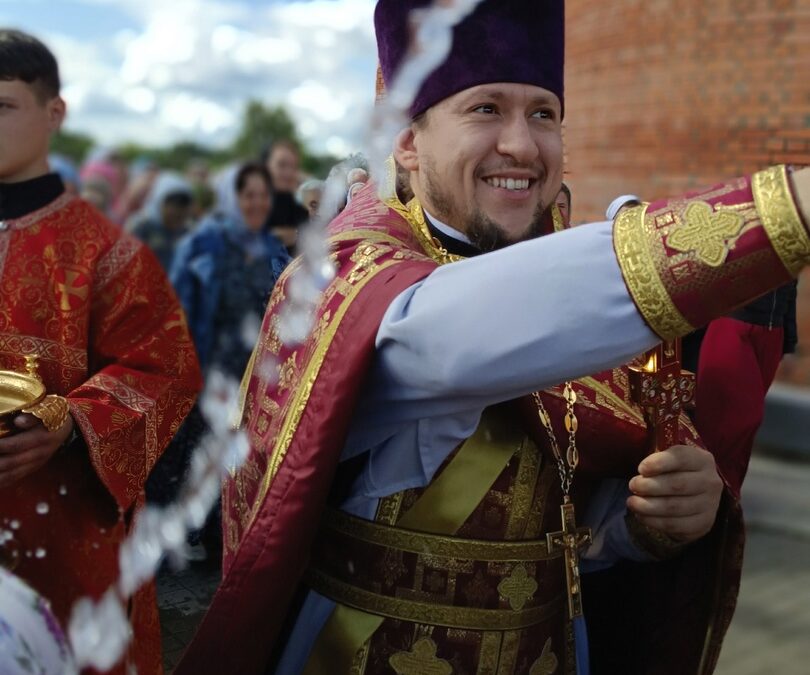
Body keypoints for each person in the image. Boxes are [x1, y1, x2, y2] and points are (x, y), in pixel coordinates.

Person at [178, 2, 810, 674]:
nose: (522, 145)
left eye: (543, 113)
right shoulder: (347, 274)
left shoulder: (567, 289)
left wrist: (652, 518)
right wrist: (789, 211)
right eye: (486, 109)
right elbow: (459, 333)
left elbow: (573, 520)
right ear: (408, 142)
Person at [0, 29, 201, 675]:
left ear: (53, 114)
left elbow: (164, 368)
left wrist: (66, 423)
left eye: (1, 106)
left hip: (59, 529)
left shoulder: (106, 251)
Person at [152, 164, 290, 557]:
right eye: (249, 195)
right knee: (192, 454)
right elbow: (175, 306)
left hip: (253, 373)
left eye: (264, 195)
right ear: (232, 196)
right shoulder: (204, 242)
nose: (258, 203)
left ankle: (221, 537)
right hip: (205, 366)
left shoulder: (271, 247)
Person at [129, 171, 194, 271]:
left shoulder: (188, 232)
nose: (178, 211)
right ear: (159, 201)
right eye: (173, 204)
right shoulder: (141, 227)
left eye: (183, 205)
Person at [263, 140, 309, 253]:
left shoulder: (300, 211)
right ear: (267, 166)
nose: (288, 173)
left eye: (293, 167)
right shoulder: (254, 206)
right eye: (281, 165)